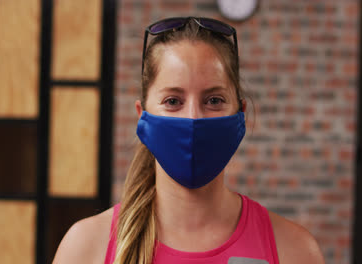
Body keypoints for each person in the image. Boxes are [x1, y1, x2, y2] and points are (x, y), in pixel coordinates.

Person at [53, 17, 324, 264]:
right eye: (173, 101)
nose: (193, 118)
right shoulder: (86, 248)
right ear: (142, 116)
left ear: (240, 114)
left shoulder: (295, 251)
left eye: (214, 100)